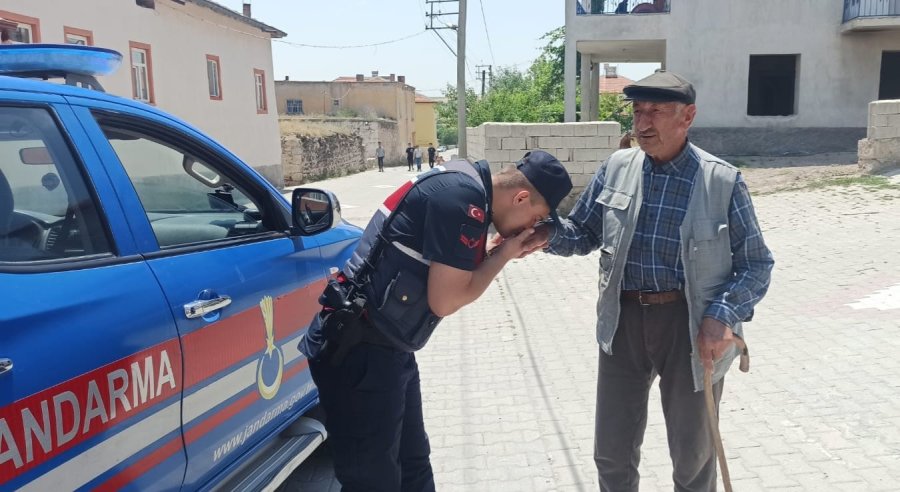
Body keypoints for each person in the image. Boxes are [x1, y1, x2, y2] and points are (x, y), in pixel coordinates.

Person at [529, 71, 774, 491]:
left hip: (692, 325)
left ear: (687, 116)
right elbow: (583, 232)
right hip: (622, 322)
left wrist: (722, 316)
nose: (643, 124)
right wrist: (544, 234)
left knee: (693, 456)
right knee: (612, 450)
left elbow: (756, 264)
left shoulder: (722, 181)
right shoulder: (617, 167)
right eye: (638, 111)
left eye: (656, 112)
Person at [300, 150, 573, 492]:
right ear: (520, 197)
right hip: (360, 353)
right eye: (536, 217)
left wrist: (493, 252)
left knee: (413, 464)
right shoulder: (464, 200)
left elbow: (449, 268)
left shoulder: (463, 181)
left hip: (385, 348)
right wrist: (504, 254)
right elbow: (446, 299)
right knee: (373, 480)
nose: (532, 227)